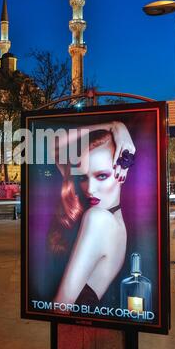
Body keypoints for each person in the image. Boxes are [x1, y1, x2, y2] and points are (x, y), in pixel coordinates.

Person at [48, 121, 135, 308]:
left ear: (122, 171)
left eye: (101, 176)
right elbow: (52, 145)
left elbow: (60, 307)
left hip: (73, 331)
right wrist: (115, 126)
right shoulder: (111, 220)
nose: (90, 189)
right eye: (82, 178)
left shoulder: (98, 218)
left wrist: (116, 127)